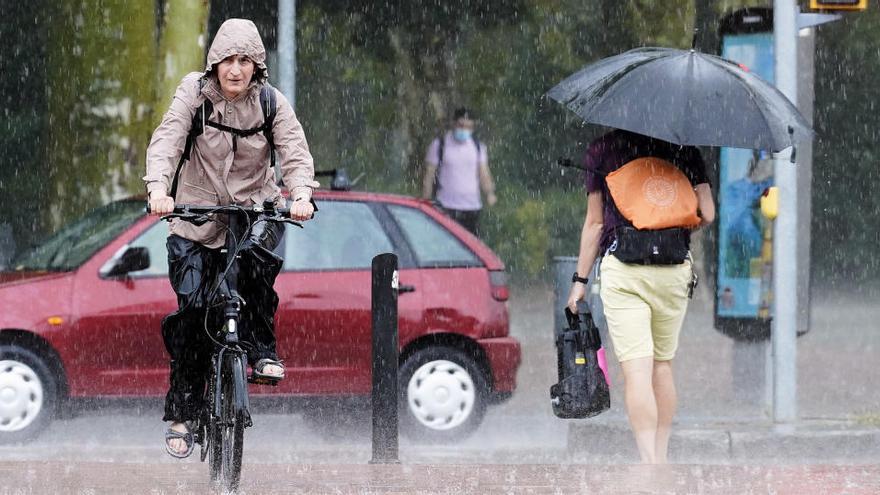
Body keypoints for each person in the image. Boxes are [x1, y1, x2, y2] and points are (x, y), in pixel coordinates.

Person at [143, 18, 318, 458]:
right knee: (194, 313)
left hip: (251, 211)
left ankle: (260, 352)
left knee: (257, 276)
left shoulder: (271, 103)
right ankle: (182, 411)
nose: (235, 69)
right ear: (214, 62)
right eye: (227, 60)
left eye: (245, 61)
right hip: (195, 218)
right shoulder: (194, 93)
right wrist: (159, 190)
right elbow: (168, 138)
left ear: (257, 66)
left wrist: (300, 195)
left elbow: (294, 151)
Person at [566, 129, 715, 464]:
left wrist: (580, 282)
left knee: (636, 371)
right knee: (662, 366)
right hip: (673, 269)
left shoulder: (603, 149)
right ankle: (660, 458)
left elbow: (594, 224)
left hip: (625, 268)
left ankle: (648, 463)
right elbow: (707, 213)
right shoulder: (684, 147)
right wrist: (669, 224)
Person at [421, 107, 497, 235]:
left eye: (468, 127)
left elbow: (484, 173)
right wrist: (425, 201)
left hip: (472, 207)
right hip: (445, 206)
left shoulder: (478, 147)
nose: (464, 130)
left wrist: (489, 193)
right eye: (461, 125)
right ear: (453, 123)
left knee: (470, 248)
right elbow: (429, 176)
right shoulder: (440, 145)